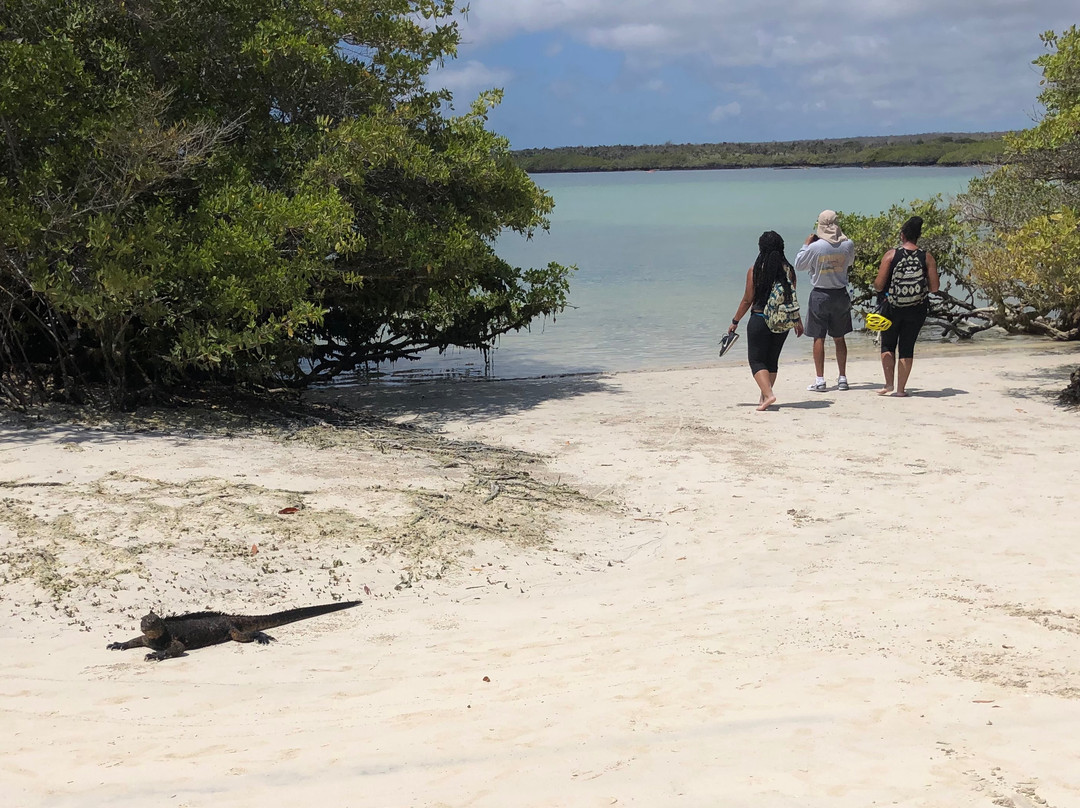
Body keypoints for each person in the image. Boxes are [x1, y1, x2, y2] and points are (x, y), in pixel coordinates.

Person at [727, 231, 804, 411]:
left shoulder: (756, 270)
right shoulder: (789, 271)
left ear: (761, 248)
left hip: (760, 319)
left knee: (756, 360)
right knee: (772, 360)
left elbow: (747, 299)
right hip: (781, 323)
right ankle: (764, 397)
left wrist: (735, 321)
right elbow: (791, 298)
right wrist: (798, 321)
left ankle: (768, 395)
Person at [873, 215, 940, 397]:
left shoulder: (891, 255)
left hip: (891, 308)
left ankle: (888, 385)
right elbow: (934, 288)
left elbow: (879, 285)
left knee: (887, 345)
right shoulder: (927, 257)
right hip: (916, 309)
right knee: (907, 346)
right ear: (918, 236)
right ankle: (901, 390)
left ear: (902, 235)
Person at [794, 210, 856, 392]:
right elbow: (849, 263)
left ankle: (820, 380)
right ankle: (842, 377)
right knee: (839, 337)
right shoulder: (848, 244)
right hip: (840, 293)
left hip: (820, 294)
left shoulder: (815, 247)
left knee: (818, 337)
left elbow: (798, 265)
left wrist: (806, 245)